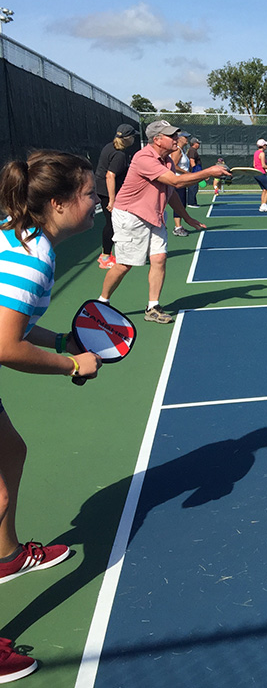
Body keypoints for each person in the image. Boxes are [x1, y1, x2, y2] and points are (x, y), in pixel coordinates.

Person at [0, 151, 104, 683]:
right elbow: (6, 346)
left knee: (11, 452)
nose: (97, 202)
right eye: (89, 195)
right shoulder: (33, 257)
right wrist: (70, 363)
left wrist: (61, 339)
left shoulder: (18, 234)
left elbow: (12, 323)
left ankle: (7, 556)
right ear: (59, 204)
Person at [98, 120, 230, 324]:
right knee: (125, 265)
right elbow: (176, 182)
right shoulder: (144, 158)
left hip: (155, 215)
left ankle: (153, 307)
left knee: (159, 259)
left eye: (175, 135)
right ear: (157, 140)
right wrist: (208, 172)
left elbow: (171, 192)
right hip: (131, 215)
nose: (176, 139)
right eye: (171, 136)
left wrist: (187, 218)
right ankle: (102, 303)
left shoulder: (167, 161)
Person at [94, 123, 138, 269]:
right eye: (133, 136)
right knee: (112, 224)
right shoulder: (119, 154)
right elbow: (110, 176)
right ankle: (105, 257)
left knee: (115, 223)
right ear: (128, 138)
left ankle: (110, 254)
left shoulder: (110, 147)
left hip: (105, 190)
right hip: (108, 192)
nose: (134, 139)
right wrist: (112, 200)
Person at [169, 132, 192, 237]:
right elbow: (173, 165)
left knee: (182, 203)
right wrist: (186, 172)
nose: (187, 139)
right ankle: (177, 227)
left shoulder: (182, 151)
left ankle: (179, 226)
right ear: (179, 138)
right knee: (179, 204)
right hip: (177, 181)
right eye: (185, 137)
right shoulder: (177, 150)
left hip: (182, 181)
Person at [253, 138, 267, 212]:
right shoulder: (262, 153)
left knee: (265, 190)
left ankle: (262, 206)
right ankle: (264, 205)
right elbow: (263, 165)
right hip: (260, 173)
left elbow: (254, 164)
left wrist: (266, 169)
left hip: (256, 173)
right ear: (263, 146)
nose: (266, 146)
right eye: (265, 145)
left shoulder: (256, 153)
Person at [187, 137, 202, 207]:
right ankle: (191, 202)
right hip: (193, 172)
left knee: (195, 187)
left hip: (195, 172)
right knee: (193, 187)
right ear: (194, 143)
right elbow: (192, 161)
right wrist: (196, 173)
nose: (199, 145)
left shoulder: (193, 150)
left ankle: (193, 202)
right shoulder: (192, 150)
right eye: (198, 143)